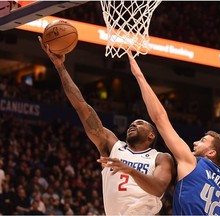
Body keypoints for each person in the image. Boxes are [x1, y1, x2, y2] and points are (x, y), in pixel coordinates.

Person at [38, 37, 174, 215]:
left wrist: (129, 170)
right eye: (132, 123)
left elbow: (158, 188)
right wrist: (60, 67)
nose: (133, 124)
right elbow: (81, 106)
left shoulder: (161, 158)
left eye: (140, 123)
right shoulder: (112, 145)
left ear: (151, 136)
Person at [127, 50, 220, 215]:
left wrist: (139, 76)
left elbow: (160, 119)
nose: (195, 143)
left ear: (211, 152)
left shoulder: (193, 163)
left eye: (203, 141)